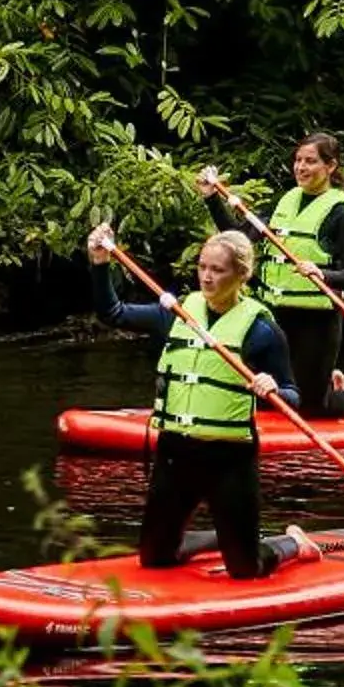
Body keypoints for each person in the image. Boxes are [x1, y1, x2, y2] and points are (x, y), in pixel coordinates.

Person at [87, 222, 320, 580]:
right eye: (202, 267)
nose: (207, 277)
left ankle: (289, 543)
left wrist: (271, 387)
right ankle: (223, 538)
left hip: (228, 459)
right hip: (175, 453)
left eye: (218, 270)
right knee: (154, 558)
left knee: (246, 569)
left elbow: (292, 397)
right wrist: (100, 263)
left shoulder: (261, 330)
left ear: (241, 275)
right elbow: (113, 313)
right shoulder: (176, 313)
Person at [199, 133, 344, 417]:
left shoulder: (341, 214)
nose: (301, 167)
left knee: (313, 407)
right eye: (298, 160)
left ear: (330, 167)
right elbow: (237, 237)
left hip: (316, 321)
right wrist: (211, 198)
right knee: (266, 393)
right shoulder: (286, 204)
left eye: (311, 161)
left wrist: (323, 273)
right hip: (275, 316)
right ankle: (328, 380)